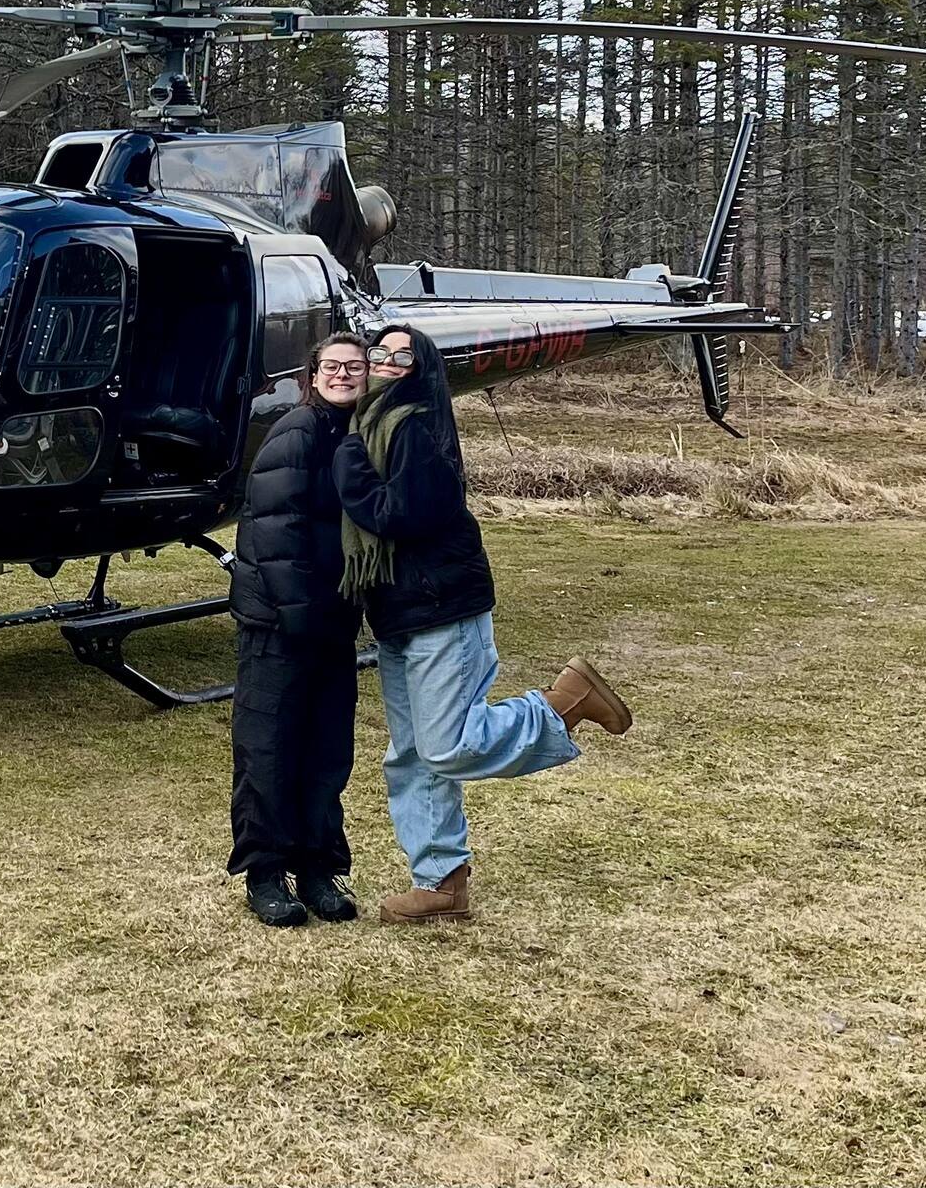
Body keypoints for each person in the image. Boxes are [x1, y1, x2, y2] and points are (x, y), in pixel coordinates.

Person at [333, 324, 632, 926]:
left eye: (401, 354)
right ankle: (440, 881)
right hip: (398, 611)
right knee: (411, 755)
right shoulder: (371, 425)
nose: (386, 361)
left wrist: (349, 470)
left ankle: (563, 704)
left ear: (421, 368)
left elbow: (401, 515)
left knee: (447, 745)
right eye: (380, 351)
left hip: (443, 606)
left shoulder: (414, 426)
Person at [228, 333, 369, 928]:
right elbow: (275, 532)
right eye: (332, 367)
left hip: (330, 620)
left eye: (354, 367)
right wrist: (300, 617)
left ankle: (316, 866)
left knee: (326, 750)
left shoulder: (354, 435)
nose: (343, 375)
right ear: (313, 375)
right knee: (270, 748)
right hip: (282, 623)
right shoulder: (299, 431)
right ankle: (266, 871)